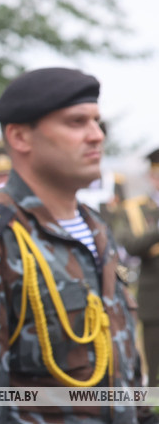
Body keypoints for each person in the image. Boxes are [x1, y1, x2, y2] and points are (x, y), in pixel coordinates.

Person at [0, 67, 152, 422]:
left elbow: (124, 371)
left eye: (97, 122)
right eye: (76, 123)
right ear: (19, 137)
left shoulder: (95, 228)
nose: (96, 136)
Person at [114, 147, 159, 388]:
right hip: (155, 299)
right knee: (155, 371)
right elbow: (130, 244)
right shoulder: (137, 209)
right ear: (153, 176)